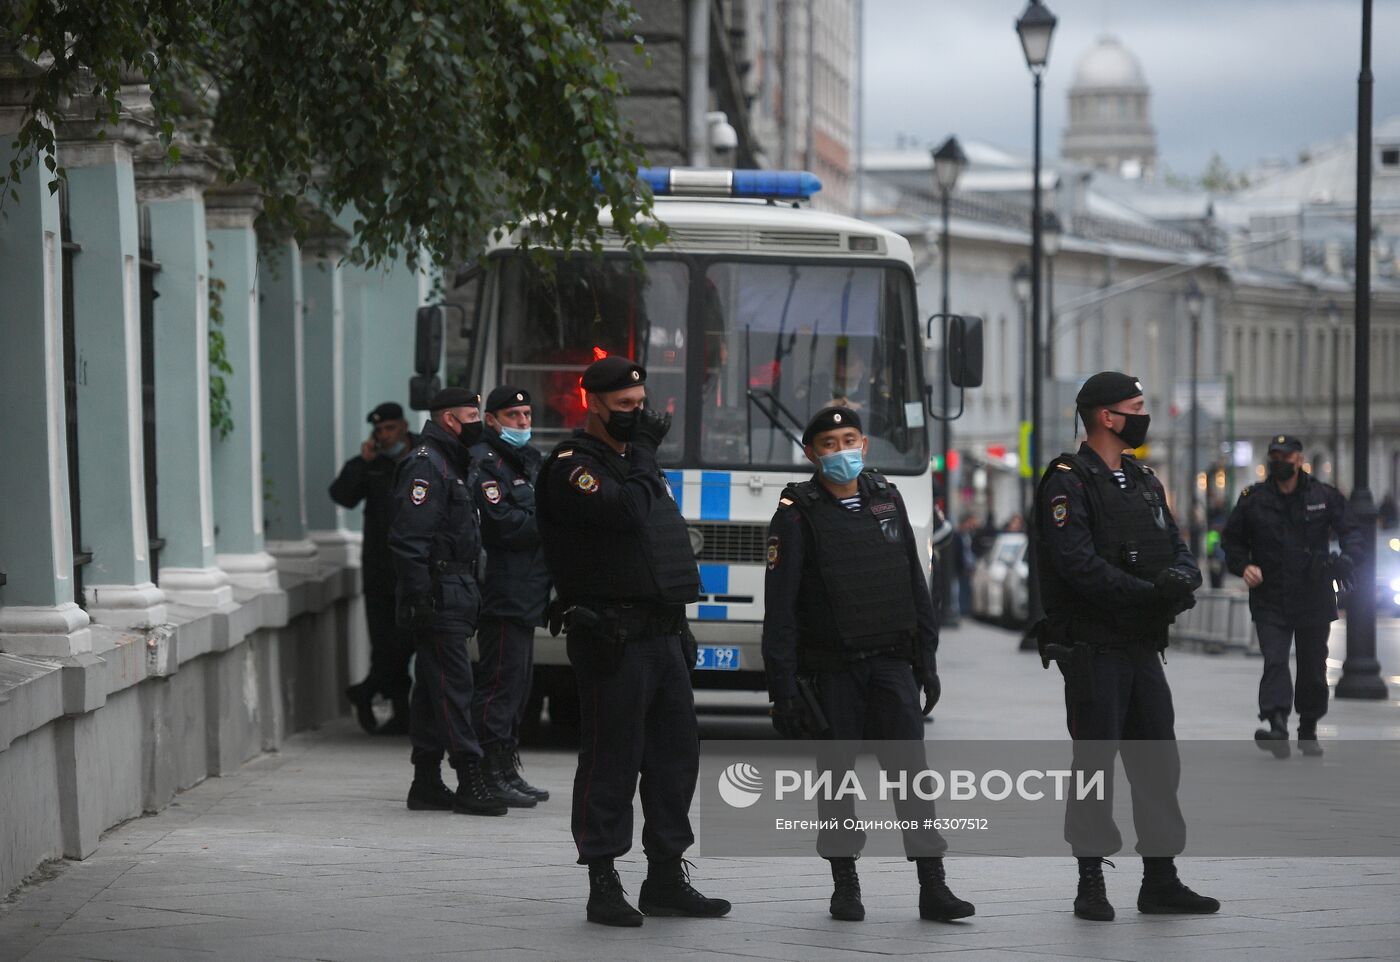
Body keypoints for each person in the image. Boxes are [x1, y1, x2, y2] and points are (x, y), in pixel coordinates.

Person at [535, 356, 730, 927]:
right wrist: (643, 456)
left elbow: (658, 549)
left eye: (641, 406)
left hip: (661, 636)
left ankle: (666, 876)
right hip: (611, 639)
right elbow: (625, 514)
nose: (636, 417)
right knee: (611, 761)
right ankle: (602, 879)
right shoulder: (574, 468)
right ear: (592, 403)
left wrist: (681, 623)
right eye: (624, 408)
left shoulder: (636, 466)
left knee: (675, 761)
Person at [762, 405, 975, 924]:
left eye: (849, 439)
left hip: (890, 663)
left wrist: (926, 658)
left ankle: (933, 885)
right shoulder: (795, 513)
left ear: (864, 444)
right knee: (837, 782)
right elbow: (781, 609)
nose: (841, 451)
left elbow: (912, 580)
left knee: (912, 779)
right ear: (811, 454)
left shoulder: (886, 497)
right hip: (833, 670)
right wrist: (783, 688)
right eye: (829, 443)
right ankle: (844, 885)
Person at [1033, 372, 1219, 922]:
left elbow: (1176, 545)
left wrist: (1182, 579)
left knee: (1158, 763)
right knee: (1094, 764)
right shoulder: (1068, 482)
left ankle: (1160, 878)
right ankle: (1090, 880)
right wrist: (1147, 593)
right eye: (1136, 406)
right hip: (1095, 648)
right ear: (1107, 417)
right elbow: (1078, 566)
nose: (1145, 414)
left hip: (1140, 647)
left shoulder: (1140, 477)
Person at [388, 388, 505, 817]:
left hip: (455, 591)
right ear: (450, 421)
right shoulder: (427, 465)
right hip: (438, 594)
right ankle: (469, 777)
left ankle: (426, 780)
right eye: (472, 414)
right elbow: (408, 539)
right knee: (454, 687)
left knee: (431, 689)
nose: (479, 421)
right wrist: (420, 596)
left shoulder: (454, 463)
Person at [1222, 434, 1362, 757]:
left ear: (1299, 460)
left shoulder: (1323, 496)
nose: (1279, 461)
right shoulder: (1253, 498)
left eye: (1285, 456)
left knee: (1313, 666)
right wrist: (1244, 566)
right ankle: (1277, 724)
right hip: (1270, 595)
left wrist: (1348, 559)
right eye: (1274, 456)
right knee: (1274, 660)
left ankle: (1308, 727)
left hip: (1314, 594)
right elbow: (1232, 541)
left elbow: (1352, 531)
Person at [469, 386, 551, 807]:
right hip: (502, 589)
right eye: (513, 415)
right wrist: (550, 519)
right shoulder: (486, 463)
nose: (522, 422)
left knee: (519, 685)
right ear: (492, 420)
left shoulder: (526, 460)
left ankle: (506, 766)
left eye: (526, 414)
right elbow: (502, 524)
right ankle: (486, 769)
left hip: (528, 589)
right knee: (500, 683)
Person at [331, 401, 416, 735]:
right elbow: (341, 495)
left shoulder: (422, 455)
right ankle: (400, 712)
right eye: (379, 431)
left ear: (404, 426)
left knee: (406, 640)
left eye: (390, 428)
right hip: (379, 570)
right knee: (385, 642)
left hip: (412, 568)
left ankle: (366, 691)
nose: (385, 436)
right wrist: (361, 464)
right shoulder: (372, 464)